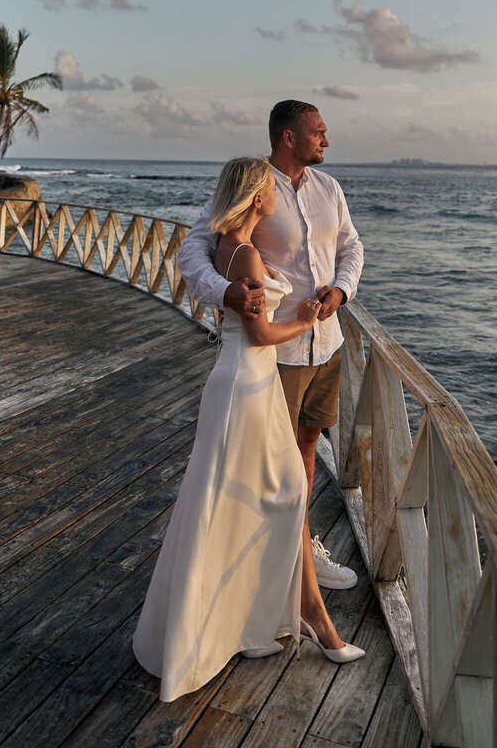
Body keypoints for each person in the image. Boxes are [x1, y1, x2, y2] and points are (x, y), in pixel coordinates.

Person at [133, 157, 363, 703]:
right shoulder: (240, 250)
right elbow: (253, 326)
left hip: (243, 379)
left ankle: (249, 622)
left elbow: (351, 245)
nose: (274, 199)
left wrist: (335, 294)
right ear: (256, 195)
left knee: (239, 500)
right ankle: (310, 615)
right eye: (267, 193)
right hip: (250, 380)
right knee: (278, 495)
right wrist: (302, 316)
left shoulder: (256, 230)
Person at [178, 101, 365, 622]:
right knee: (267, 465)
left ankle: (301, 548)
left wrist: (341, 291)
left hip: (326, 343)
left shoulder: (330, 190)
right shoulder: (252, 184)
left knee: (306, 449)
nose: (327, 141)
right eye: (319, 133)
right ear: (289, 137)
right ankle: (264, 566)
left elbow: (352, 247)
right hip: (274, 352)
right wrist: (225, 293)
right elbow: (196, 247)